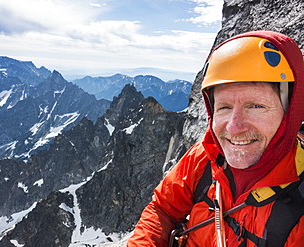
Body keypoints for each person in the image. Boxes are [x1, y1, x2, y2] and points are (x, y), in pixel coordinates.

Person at [127, 30, 304, 247]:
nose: (234, 127)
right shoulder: (205, 156)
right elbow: (163, 210)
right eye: (224, 107)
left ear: (290, 112)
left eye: (256, 106)